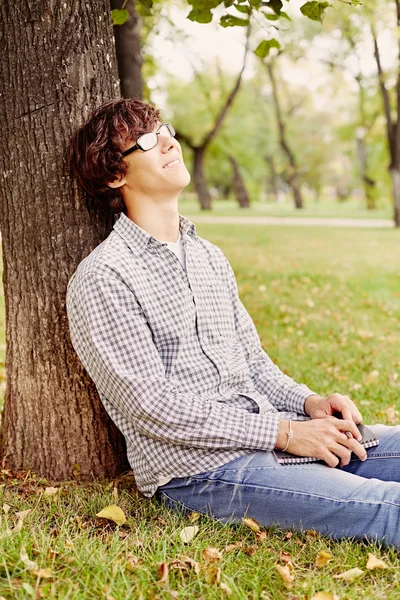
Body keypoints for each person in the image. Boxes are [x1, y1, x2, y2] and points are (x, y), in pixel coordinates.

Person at [66, 98, 400, 549]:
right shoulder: (104, 277)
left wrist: (309, 405)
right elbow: (152, 407)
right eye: (147, 140)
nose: (169, 141)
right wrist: (286, 434)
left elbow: (254, 366)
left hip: (273, 434)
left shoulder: (208, 256)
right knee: (388, 509)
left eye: (165, 128)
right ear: (115, 175)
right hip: (200, 471)